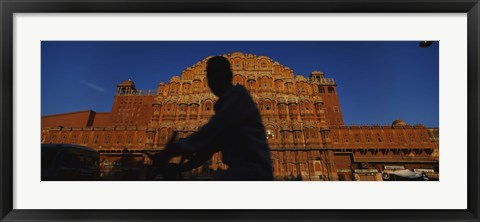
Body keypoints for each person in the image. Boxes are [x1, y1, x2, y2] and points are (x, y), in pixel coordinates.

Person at [163, 56, 273, 181]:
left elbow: (213, 130)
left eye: (217, 74)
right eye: (210, 76)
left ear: (229, 75)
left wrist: (180, 146)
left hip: (252, 172)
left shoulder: (238, 96)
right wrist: (180, 168)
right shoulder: (224, 104)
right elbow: (209, 149)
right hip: (244, 171)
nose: (214, 80)